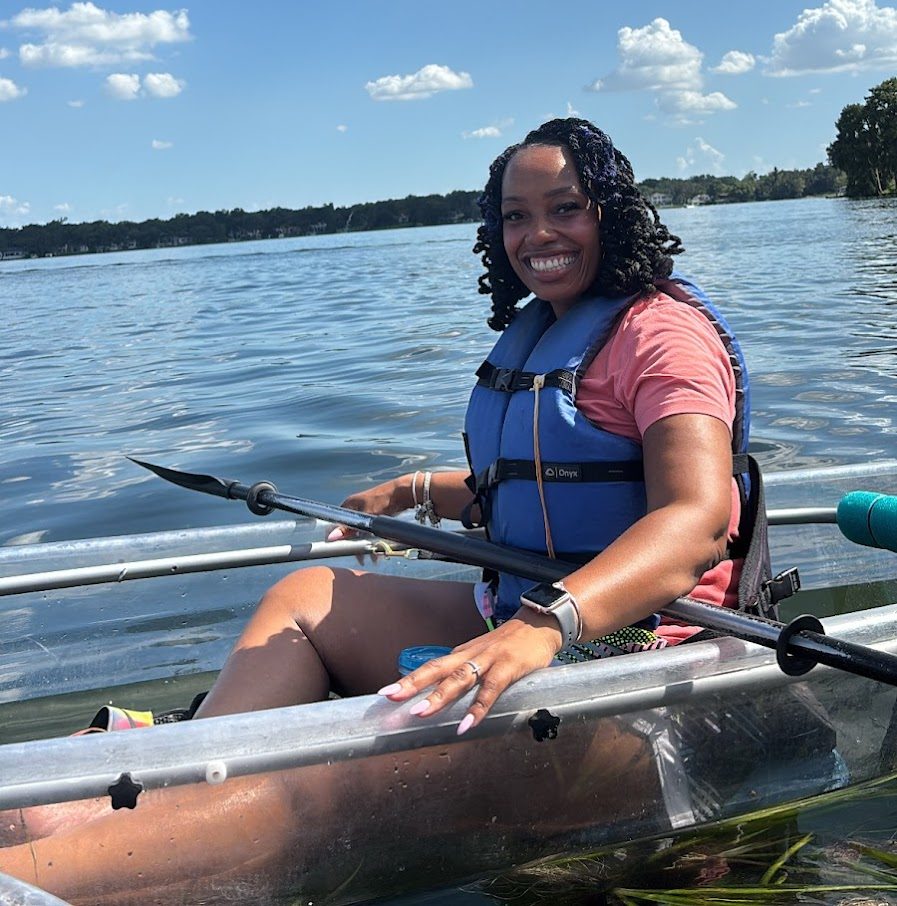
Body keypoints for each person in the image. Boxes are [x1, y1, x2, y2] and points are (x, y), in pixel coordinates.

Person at [0, 117, 785, 901]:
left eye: (564, 207)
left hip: (639, 673)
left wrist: (542, 624)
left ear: (610, 211)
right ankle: (181, 794)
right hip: (513, 633)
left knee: (329, 782)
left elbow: (693, 522)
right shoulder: (543, 331)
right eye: (515, 215)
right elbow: (541, 491)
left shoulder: (663, 336)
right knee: (308, 598)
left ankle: (131, 846)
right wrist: (413, 490)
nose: (537, 233)